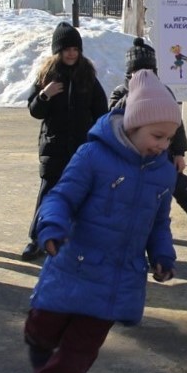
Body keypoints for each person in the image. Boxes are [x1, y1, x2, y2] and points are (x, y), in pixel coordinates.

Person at [19, 69, 180, 373]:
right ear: (134, 126)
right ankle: (38, 342)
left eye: (169, 138)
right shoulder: (93, 155)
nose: (162, 145)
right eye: (157, 136)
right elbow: (61, 196)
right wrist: (52, 226)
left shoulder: (163, 173)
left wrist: (162, 254)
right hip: (72, 265)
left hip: (114, 282)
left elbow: (160, 223)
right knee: (44, 331)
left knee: (76, 358)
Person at [109, 37, 187, 237]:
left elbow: (176, 124)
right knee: (133, 196)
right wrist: (133, 93)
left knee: (182, 187)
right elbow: (113, 119)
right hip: (132, 157)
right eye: (138, 71)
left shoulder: (163, 90)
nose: (145, 75)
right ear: (129, 72)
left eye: (149, 70)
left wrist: (179, 153)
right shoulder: (120, 92)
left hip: (162, 154)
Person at [22, 22, 109, 260]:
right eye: (66, 49)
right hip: (54, 146)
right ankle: (37, 239)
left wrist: (98, 140)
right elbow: (34, 110)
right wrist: (44, 95)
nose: (71, 53)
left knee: (84, 195)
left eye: (75, 49)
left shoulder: (87, 76)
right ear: (57, 51)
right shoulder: (47, 76)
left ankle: (82, 241)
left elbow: (101, 111)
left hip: (81, 148)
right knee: (48, 193)